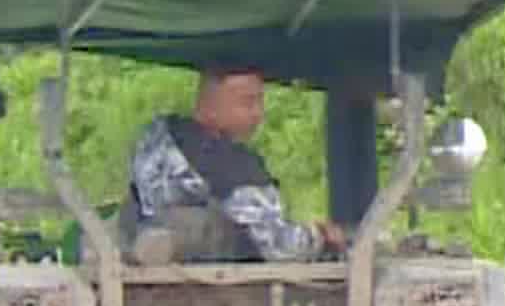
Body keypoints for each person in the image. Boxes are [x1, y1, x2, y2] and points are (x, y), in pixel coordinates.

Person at [124, 64, 343, 262]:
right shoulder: (232, 167)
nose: (259, 114)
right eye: (247, 102)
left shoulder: (155, 141)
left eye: (260, 102)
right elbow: (276, 245)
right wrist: (320, 238)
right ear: (210, 106)